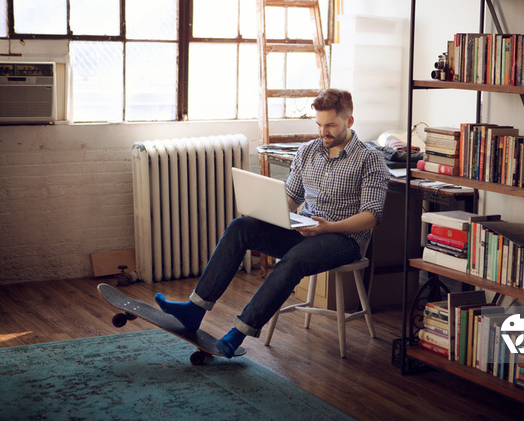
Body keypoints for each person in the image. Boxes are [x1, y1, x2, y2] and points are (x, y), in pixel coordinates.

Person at [155, 88, 389, 357]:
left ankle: (238, 333)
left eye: (331, 126)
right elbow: (291, 198)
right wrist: (272, 212)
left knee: (295, 258)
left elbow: (372, 216)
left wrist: (329, 227)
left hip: (343, 239)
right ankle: (195, 309)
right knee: (240, 227)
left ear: (349, 121)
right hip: (305, 230)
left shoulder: (370, 159)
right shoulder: (307, 151)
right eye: (319, 125)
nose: (324, 132)